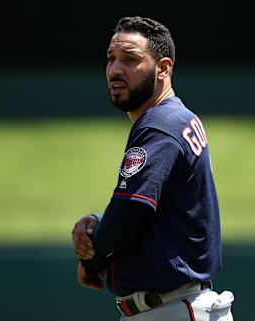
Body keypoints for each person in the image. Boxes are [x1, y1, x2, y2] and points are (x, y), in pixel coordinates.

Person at [71, 16, 234, 321]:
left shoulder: (159, 125)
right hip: (177, 306)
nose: (115, 70)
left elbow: (127, 215)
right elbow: (153, 215)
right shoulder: (177, 117)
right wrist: (98, 222)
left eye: (130, 59)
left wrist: (91, 258)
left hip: (171, 310)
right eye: (111, 59)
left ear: (163, 68)